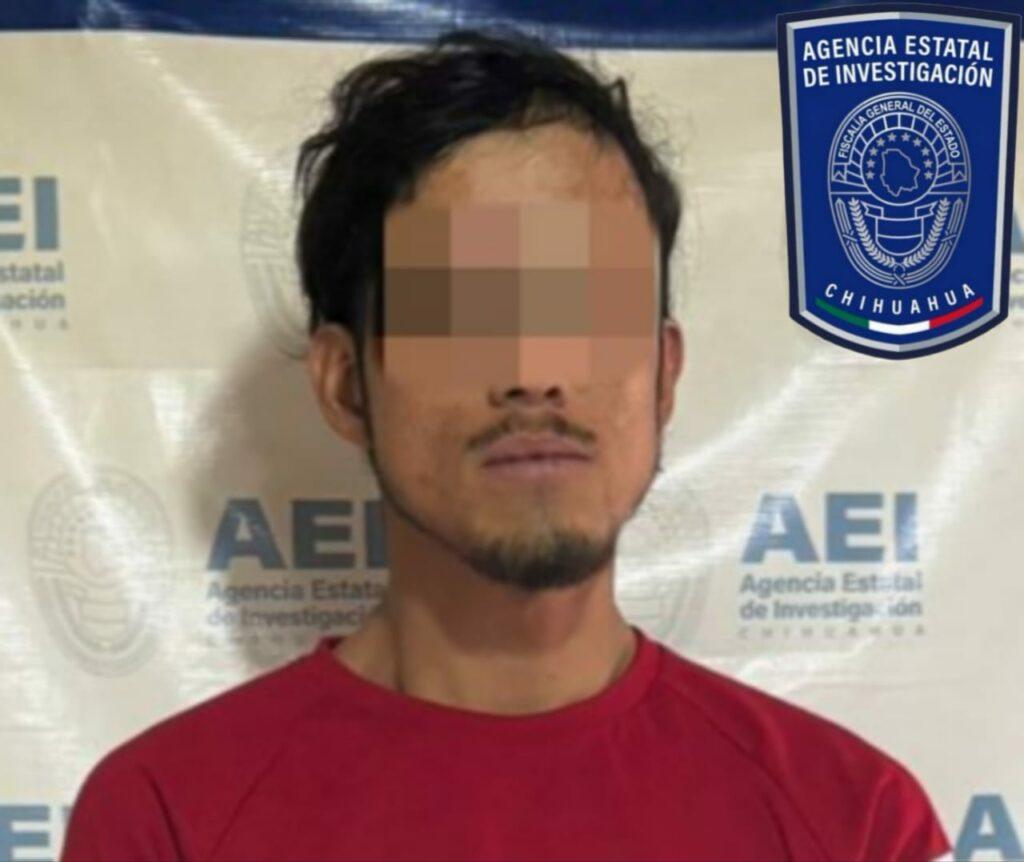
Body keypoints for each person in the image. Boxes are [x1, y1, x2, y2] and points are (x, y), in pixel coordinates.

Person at [61, 27, 952, 862]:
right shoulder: (166, 821)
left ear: (663, 374)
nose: (535, 373)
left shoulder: (855, 823)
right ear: (345, 384)